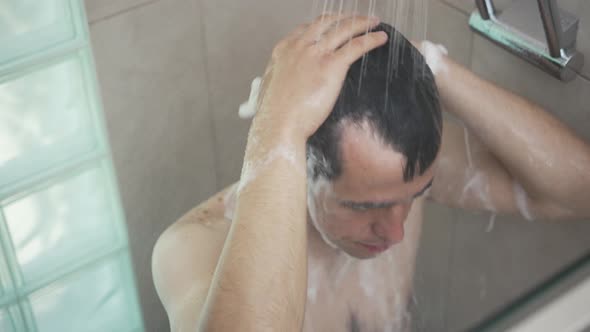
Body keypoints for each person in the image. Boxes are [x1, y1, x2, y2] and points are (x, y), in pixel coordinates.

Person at [151, 15, 590, 332]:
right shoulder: (194, 246)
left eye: (420, 195)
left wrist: (431, 67)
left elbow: (579, 191)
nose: (395, 231)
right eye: (363, 206)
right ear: (297, 160)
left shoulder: (395, 179)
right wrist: (277, 124)